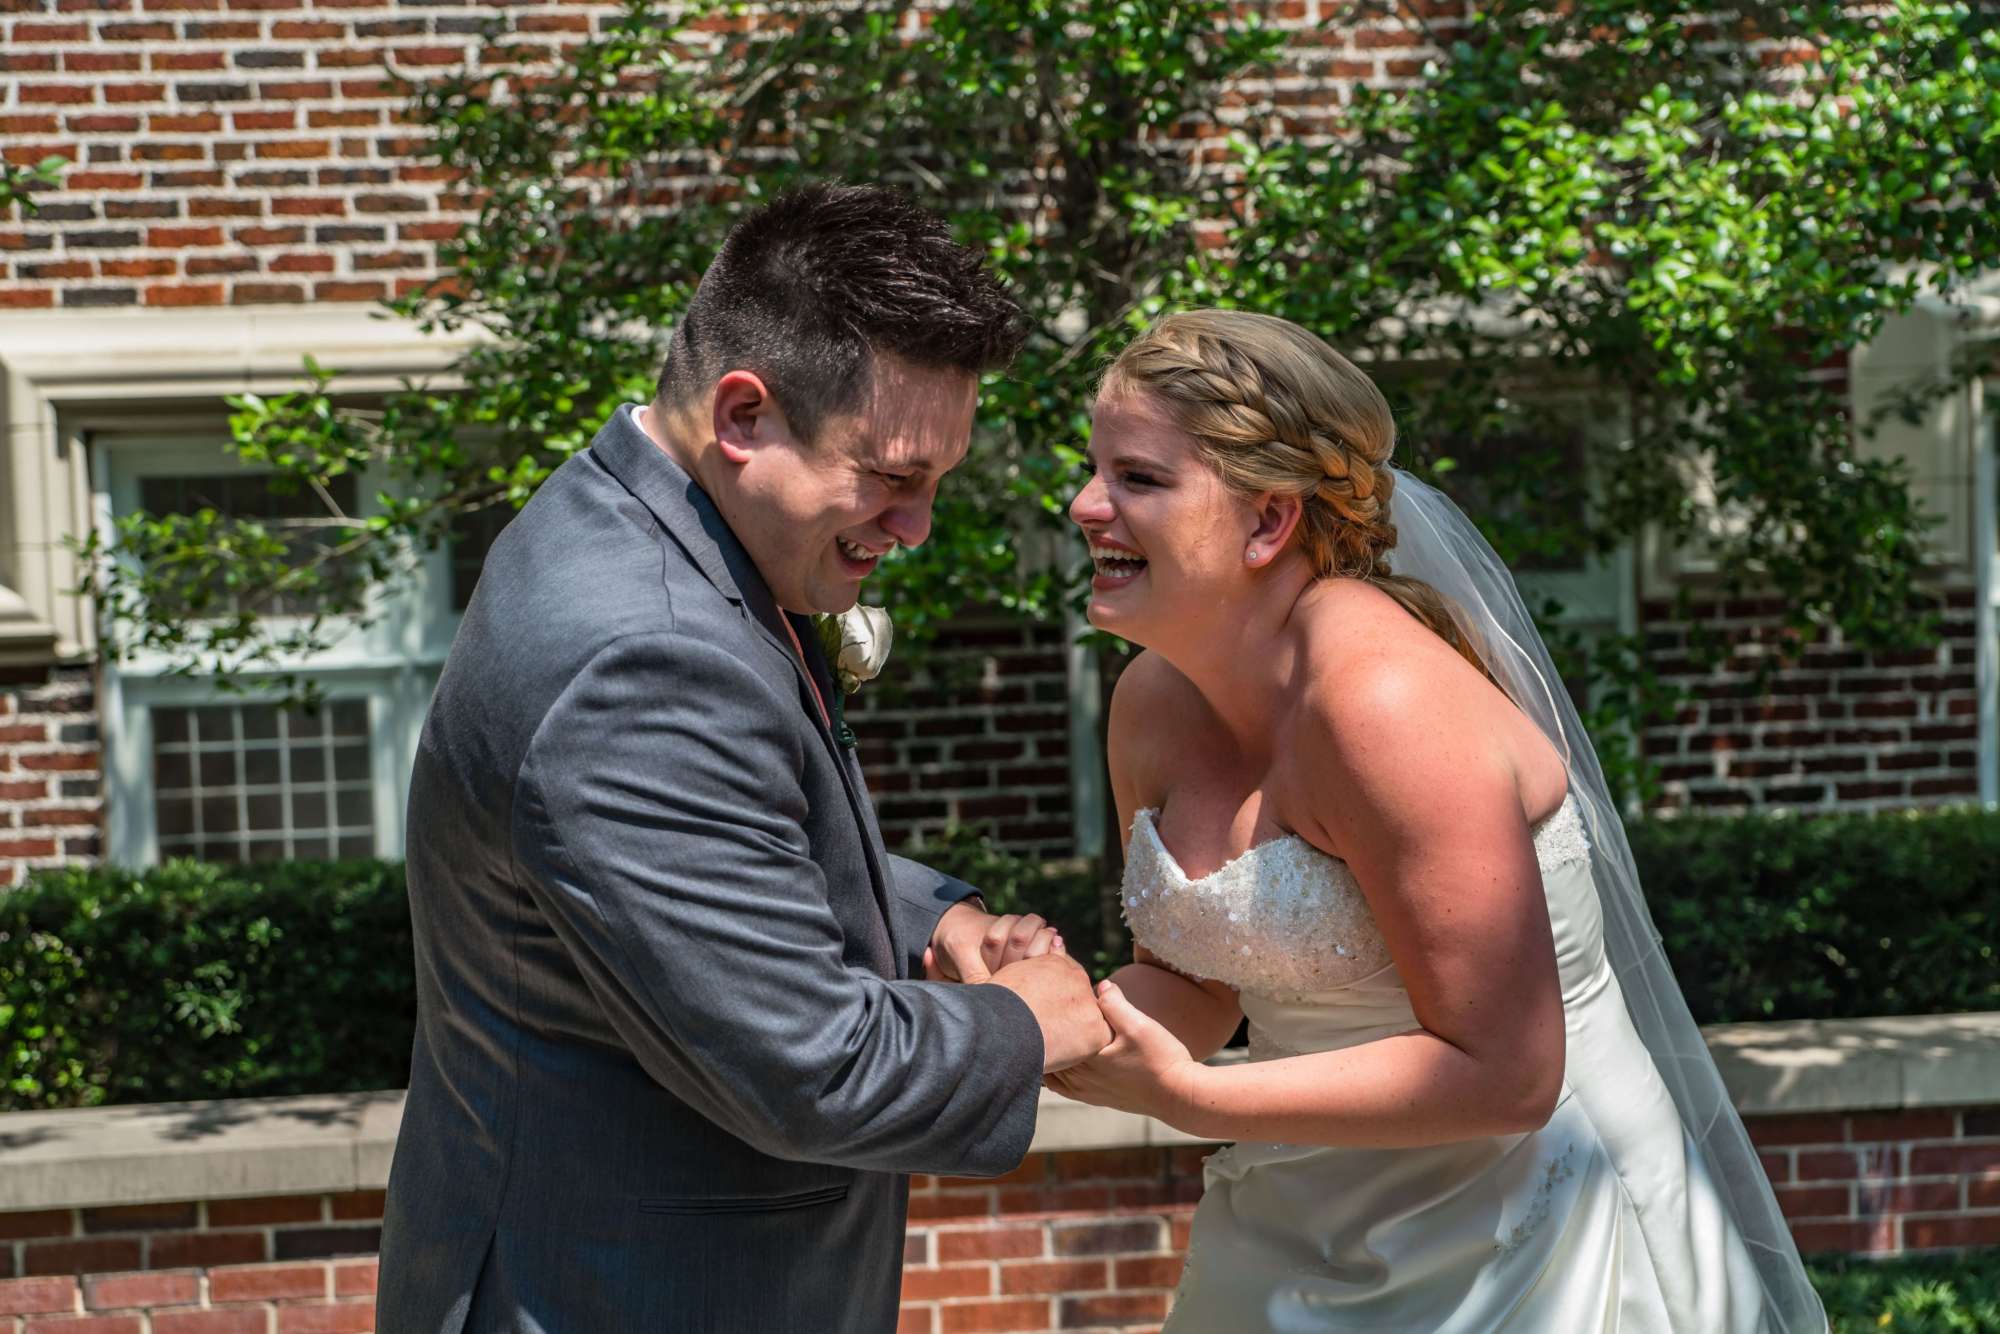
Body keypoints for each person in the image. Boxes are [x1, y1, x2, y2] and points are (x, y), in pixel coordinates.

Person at [378, 184, 1110, 1333]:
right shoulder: (650, 651)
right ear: (742, 414)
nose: (914, 526)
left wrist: (926, 916)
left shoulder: (620, 516)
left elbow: (702, 839)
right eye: (892, 475)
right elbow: (805, 1064)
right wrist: (1026, 1024)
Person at [1047, 309, 1827, 1331]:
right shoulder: (1152, 699)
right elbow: (1192, 981)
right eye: (1094, 469)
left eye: (1137, 478)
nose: (1083, 504)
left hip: (1530, 1229)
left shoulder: (1382, 705)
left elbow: (1507, 1072)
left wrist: (1197, 1100)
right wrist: (1036, 1013)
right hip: (1295, 1216)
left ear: (1267, 520)